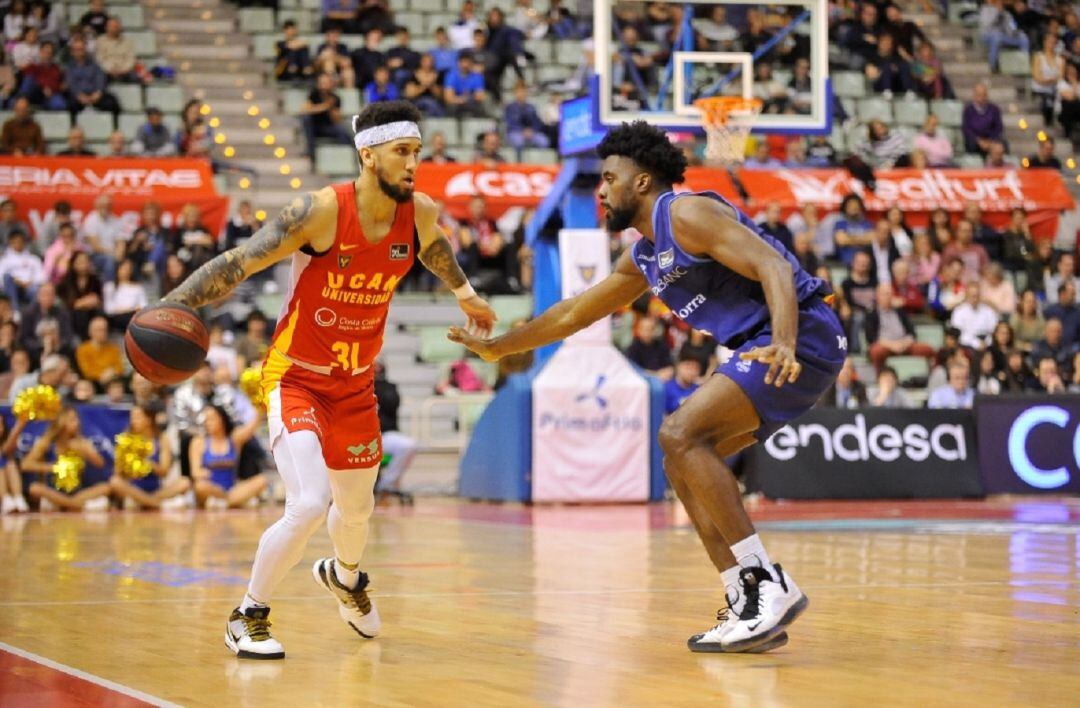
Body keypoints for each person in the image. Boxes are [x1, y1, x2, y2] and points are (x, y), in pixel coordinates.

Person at [448, 120, 846, 654]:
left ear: (641, 183)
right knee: (681, 460)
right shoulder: (642, 257)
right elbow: (571, 314)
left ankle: (764, 582)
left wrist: (784, 342)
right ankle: (744, 599)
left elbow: (772, 264)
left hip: (800, 337)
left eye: (609, 178)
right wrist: (501, 347)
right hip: (767, 347)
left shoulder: (686, 213)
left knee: (679, 432)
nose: (602, 190)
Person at [162, 101, 496, 659]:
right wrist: (171, 305)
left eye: (417, 152)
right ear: (368, 156)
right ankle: (248, 615)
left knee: (358, 511)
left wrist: (465, 294)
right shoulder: (318, 212)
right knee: (310, 502)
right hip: (295, 378)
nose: (415, 163)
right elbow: (239, 262)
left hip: (355, 385)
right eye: (402, 152)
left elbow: (432, 247)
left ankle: (344, 577)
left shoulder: (419, 212)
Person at [24, 407, 110, 511]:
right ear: (61, 422)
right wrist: (54, 467)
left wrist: (88, 452)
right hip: (53, 490)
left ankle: (65, 503)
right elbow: (26, 465)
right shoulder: (47, 443)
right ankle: (76, 505)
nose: (77, 423)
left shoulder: (82, 442)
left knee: (106, 487)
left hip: (77, 491)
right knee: (34, 488)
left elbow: (100, 464)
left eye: (77, 419)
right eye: (72, 420)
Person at [109, 405, 191, 510]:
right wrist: (128, 464)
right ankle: (156, 504)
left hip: (156, 490)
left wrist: (145, 462)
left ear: (148, 420)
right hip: (133, 489)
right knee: (114, 482)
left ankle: (145, 502)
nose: (133, 420)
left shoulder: (161, 439)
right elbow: (117, 472)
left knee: (184, 482)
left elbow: (164, 472)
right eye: (132, 417)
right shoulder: (125, 439)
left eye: (137, 417)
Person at [190, 403, 267, 509]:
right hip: (210, 490)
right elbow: (195, 472)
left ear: (222, 419)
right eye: (206, 420)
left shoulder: (234, 439)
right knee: (200, 486)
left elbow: (252, 426)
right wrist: (202, 473)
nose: (208, 423)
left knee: (261, 480)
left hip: (231, 489)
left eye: (211, 419)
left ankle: (223, 502)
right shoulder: (198, 442)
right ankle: (233, 501)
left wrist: (261, 405)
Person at [865, 283, 936, 371]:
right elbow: (871, 338)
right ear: (877, 296)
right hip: (885, 346)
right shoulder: (871, 314)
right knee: (876, 351)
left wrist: (904, 343)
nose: (888, 296)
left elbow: (912, 333)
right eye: (885, 294)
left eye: (890, 294)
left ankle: (932, 378)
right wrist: (892, 345)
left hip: (904, 344)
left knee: (928, 350)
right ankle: (882, 378)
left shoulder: (900, 311)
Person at [372, 359, 418, 496]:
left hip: (385, 435)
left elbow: (392, 404)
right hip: (360, 437)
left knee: (409, 445)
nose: (375, 370)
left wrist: (375, 385)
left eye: (377, 367)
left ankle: (386, 484)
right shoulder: (354, 387)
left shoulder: (389, 388)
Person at [0, 229, 44, 310]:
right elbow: (1, 279)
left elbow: (41, 277)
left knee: (37, 290)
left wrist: (30, 282)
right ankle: (15, 311)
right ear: (10, 242)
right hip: (12, 288)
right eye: (15, 242)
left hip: (29, 287)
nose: (18, 244)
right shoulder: (4, 260)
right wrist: (16, 281)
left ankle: (31, 313)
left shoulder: (33, 259)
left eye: (20, 241)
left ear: (24, 242)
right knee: (7, 277)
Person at [103, 258, 148, 331]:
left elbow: (144, 306)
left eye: (128, 269)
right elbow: (109, 309)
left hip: (133, 316)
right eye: (123, 268)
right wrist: (130, 309)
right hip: (115, 318)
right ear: (118, 269)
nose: (126, 271)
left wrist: (133, 310)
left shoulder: (138, 287)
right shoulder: (109, 286)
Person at [625, 315, 674, 380]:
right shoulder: (633, 348)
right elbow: (635, 371)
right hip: (643, 380)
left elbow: (670, 367)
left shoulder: (662, 345)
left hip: (664, 378)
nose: (648, 332)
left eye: (651, 329)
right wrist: (656, 375)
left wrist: (667, 372)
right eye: (645, 329)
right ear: (639, 330)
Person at [0, 414, 28, 513]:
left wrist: (19, 425)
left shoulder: (3, 444)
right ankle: (4, 498)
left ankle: (17, 498)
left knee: (10, 463)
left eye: (1, 425)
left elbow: (6, 450)